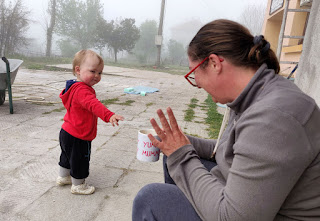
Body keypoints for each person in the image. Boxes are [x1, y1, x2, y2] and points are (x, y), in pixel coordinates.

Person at [132, 19, 320, 220]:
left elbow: (233, 217)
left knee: (150, 199)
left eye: (194, 74)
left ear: (214, 63)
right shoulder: (256, 94)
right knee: (173, 158)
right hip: (253, 200)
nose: (197, 84)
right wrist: (178, 144)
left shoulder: (274, 117)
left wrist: (181, 154)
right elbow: (237, 149)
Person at [56, 49, 124, 195]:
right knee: (80, 159)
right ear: (78, 70)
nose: (97, 76)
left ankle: (63, 177)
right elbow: (94, 105)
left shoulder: (73, 86)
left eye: (100, 73)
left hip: (66, 131)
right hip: (79, 135)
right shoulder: (83, 91)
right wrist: (109, 115)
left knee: (67, 156)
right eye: (93, 71)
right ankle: (78, 185)